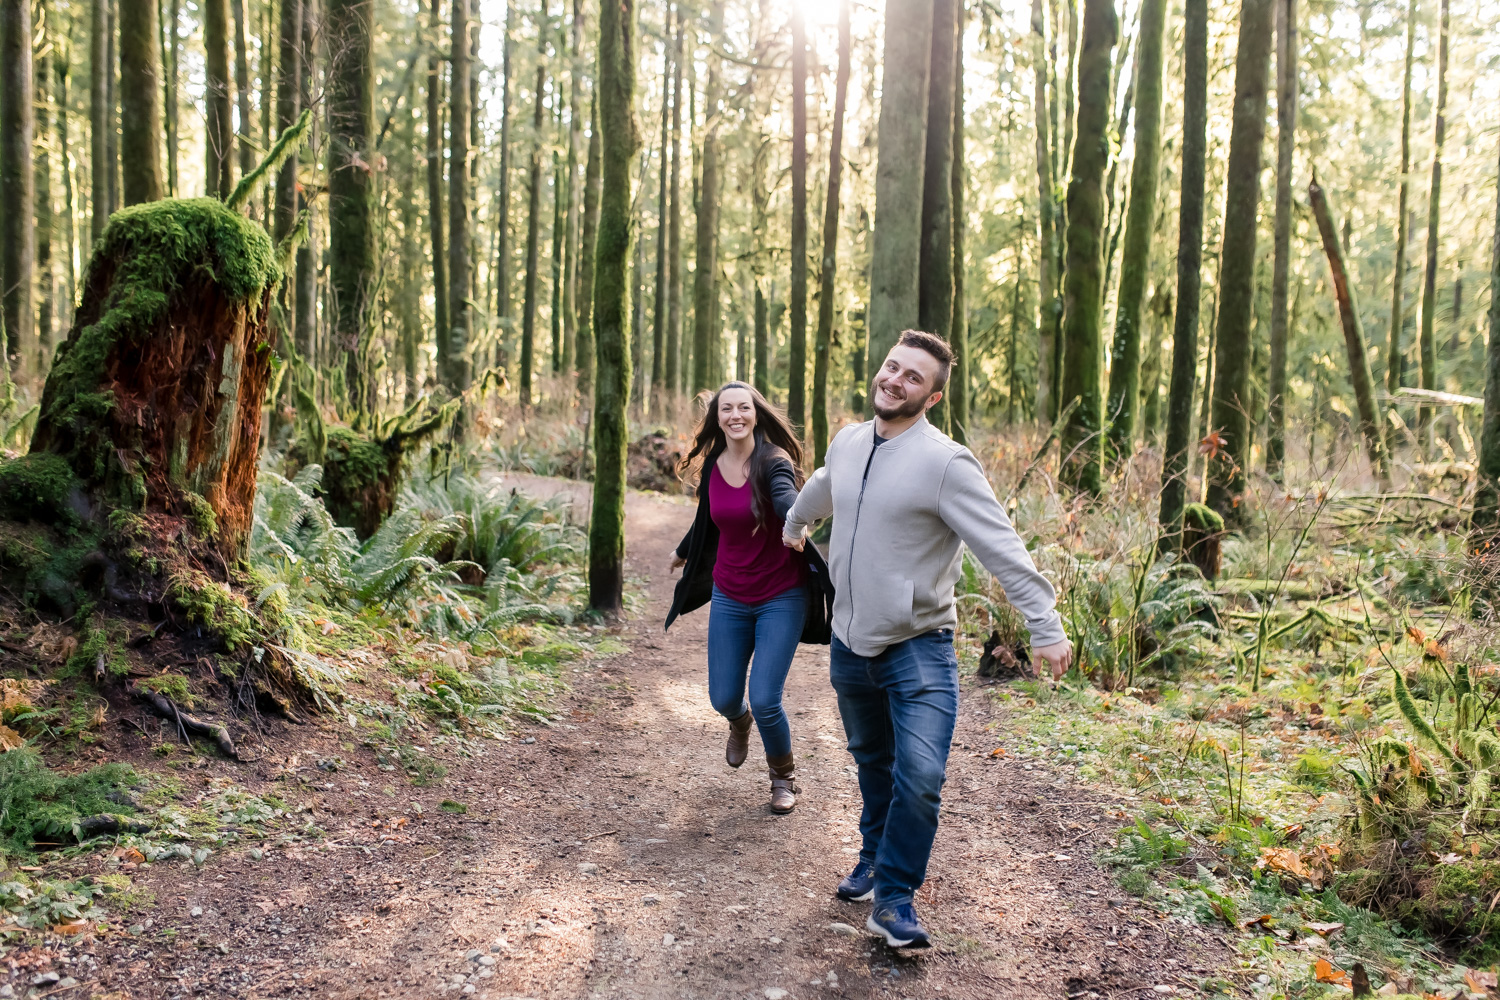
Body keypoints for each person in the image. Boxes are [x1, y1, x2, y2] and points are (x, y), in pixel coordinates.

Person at [782, 330, 1072, 949]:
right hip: (849, 643)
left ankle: (894, 898)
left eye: (913, 377)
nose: (895, 380)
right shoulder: (851, 439)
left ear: (933, 396)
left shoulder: (946, 463)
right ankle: (873, 855)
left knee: (919, 777)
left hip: (919, 646)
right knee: (872, 764)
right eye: (892, 367)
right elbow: (828, 482)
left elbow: (1001, 545)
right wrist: (796, 523)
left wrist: (1043, 623)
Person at [665, 382, 834, 814]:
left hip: (781, 595)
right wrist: (684, 552)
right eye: (727, 409)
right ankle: (739, 723)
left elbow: (785, 497)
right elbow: (709, 518)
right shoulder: (714, 467)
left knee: (765, 697)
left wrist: (795, 521)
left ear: (756, 413)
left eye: (744, 407)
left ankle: (782, 778)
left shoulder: (773, 462)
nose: (735, 415)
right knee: (723, 698)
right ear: (717, 417)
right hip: (730, 594)